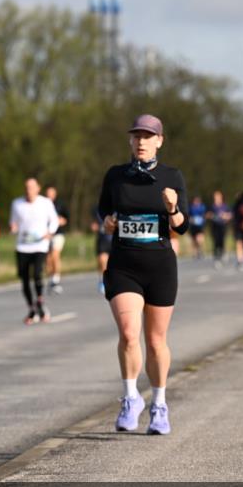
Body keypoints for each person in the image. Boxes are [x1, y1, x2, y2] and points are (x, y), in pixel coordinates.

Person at [99, 114, 187, 436]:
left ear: (159, 141)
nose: (141, 141)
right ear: (130, 140)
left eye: (148, 136)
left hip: (160, 266)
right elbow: (104, 212)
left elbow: (184, 226)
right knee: (128, 333)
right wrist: (108, 222)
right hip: (124, 264)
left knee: (155, 340)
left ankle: (159, 404)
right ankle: (131, 397)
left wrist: (173, 208)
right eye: (136, 136)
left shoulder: (172, 176)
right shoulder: (115, 176)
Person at [10, 178, 58, 323]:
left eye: (31, 187)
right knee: (24, 279)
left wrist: (50, 232)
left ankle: (40, 303)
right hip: (22, 246)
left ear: (38, 188)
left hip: (40, 245)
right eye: (26, 187)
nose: (28, 190)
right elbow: (14, 222)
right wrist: (13, 227)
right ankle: (32, 308)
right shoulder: (17, 203)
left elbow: (54, 220)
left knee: (37, 274)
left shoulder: (45, 203)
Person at [45, 185, 69, 293]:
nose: (49, 195)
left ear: (55, 194)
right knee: (48, 259)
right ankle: (51, 280)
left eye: (51, 193)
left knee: (55, 255)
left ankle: (56, 279)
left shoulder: (60, 205)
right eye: (48, 193)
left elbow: (66, 218)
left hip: (58, 234)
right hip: (46, 235)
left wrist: (62, 220)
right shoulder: (42, 205)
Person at [90, 206, 112, 294]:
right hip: (102, 240)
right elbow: (94, 223)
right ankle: (103, 281)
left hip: (116, 240)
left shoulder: (121, 205)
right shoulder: (97, 208)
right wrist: (94, 226)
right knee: (102, 260)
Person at [208, 190, 231, 266]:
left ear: (221, 197)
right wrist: (211, 216)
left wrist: (225, 216)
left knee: (222, 241)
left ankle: (223, 252)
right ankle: (216, 259)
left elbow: (230, 215)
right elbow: (207, 215)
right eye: (215, 197)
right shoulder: (212, 206)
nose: (216, 198)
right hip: (214, 226)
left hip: (222, 226)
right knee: (215, 242)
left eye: (218, 196)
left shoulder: (225, 206)